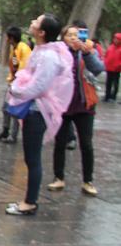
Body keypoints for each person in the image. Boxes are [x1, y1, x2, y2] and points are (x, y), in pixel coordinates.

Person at [4, 14, 73, 216]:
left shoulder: (48, 56)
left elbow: (39, 86)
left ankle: (30, 202)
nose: (32, 22)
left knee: (32, 158)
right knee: (30, 157)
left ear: (41, 32)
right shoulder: (43, 51)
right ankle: (28, 199)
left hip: (37, 111)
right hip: (34, 109)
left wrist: (16, 90)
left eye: (36, 21)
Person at [45, 25, 105, 196]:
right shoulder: (57, 53)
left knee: (86, 143)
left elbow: (99, 69)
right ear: (63, 38)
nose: (73, 38)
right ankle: (58, 177)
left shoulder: (87, 51)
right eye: (69, 35)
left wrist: (86, 53)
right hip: (62, 105)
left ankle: (88, 180)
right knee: (60, 142)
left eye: (76, 35)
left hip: (84, 105)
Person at [0, 27, 33, 143]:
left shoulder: (23, 49)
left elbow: (24, 68)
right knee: (5, 108)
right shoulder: (14, 48)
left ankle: (13, 136)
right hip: (12, 83)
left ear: (11, 38)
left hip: (20, 84)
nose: (6, 39)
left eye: (7, 37)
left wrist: (18, 82)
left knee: (15, 110)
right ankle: (5, 131)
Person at [104, 32, 120, 102]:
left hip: (117, 69)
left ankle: (113, 97)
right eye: (115, 38)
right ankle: (107, 96)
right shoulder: (111, 47)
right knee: (108, 83)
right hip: (109, 68)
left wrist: (118, 65)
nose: (115, 40)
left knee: (115, 84)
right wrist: (105, 62)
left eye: (117, 39)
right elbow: (106, 56)